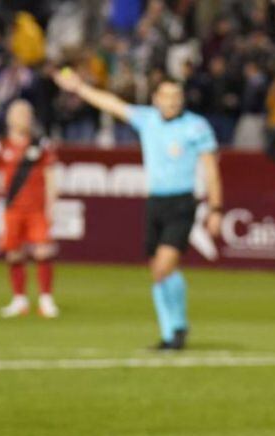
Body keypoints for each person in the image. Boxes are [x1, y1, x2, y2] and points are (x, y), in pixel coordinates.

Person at [53, 68, 223, 350]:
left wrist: (215, 208)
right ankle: (174, 329)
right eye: (166, 96)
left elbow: (211, 170)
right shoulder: (147, 120)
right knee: (159, 270)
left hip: (182, 202)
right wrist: (79, 88)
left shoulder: (197, 126)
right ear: (156, 99)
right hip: (155, 201)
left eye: (176, 96)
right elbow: (112, 104)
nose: (171, 101)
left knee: (163, 266)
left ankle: (174, 332)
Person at [0, 99, 60, 318]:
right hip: (10, 208)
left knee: (43, 251)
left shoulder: (41, 144)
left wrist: (52, 204)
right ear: (9, 118)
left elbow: (50, 174)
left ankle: (46, 300)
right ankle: (19, 300)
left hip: (37, 208)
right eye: (19, 113)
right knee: (13, 254)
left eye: (27, 113)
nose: (23, 117)